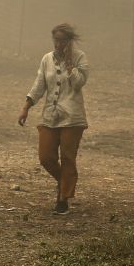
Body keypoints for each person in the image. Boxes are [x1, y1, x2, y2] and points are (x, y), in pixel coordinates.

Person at [18, 23, 90, 215]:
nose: (58, 44)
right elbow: (39, 84)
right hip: (50, 116)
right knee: (46, 157)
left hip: (72, 117)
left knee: (67, 157)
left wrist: (69, 63)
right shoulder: (46, 59)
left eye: (62, 40)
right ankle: (63, 181)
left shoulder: (80, 58)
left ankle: (63, 199)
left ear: (69, 41)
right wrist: (26, 107)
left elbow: (78, 83)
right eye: (56, 40)